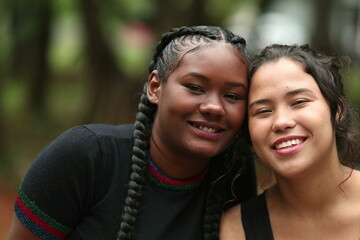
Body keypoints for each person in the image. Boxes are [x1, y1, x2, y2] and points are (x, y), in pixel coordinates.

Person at [8, 25, 257, 240]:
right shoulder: (85, 157)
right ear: (155, 88)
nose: (214, 107)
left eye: (232, 96)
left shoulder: (234, 175)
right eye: (194, 87)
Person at [220, 44, 360, 240]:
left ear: (337, 110)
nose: (281, 122)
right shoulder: (236, 228)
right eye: (263, 111)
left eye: (298, 102)